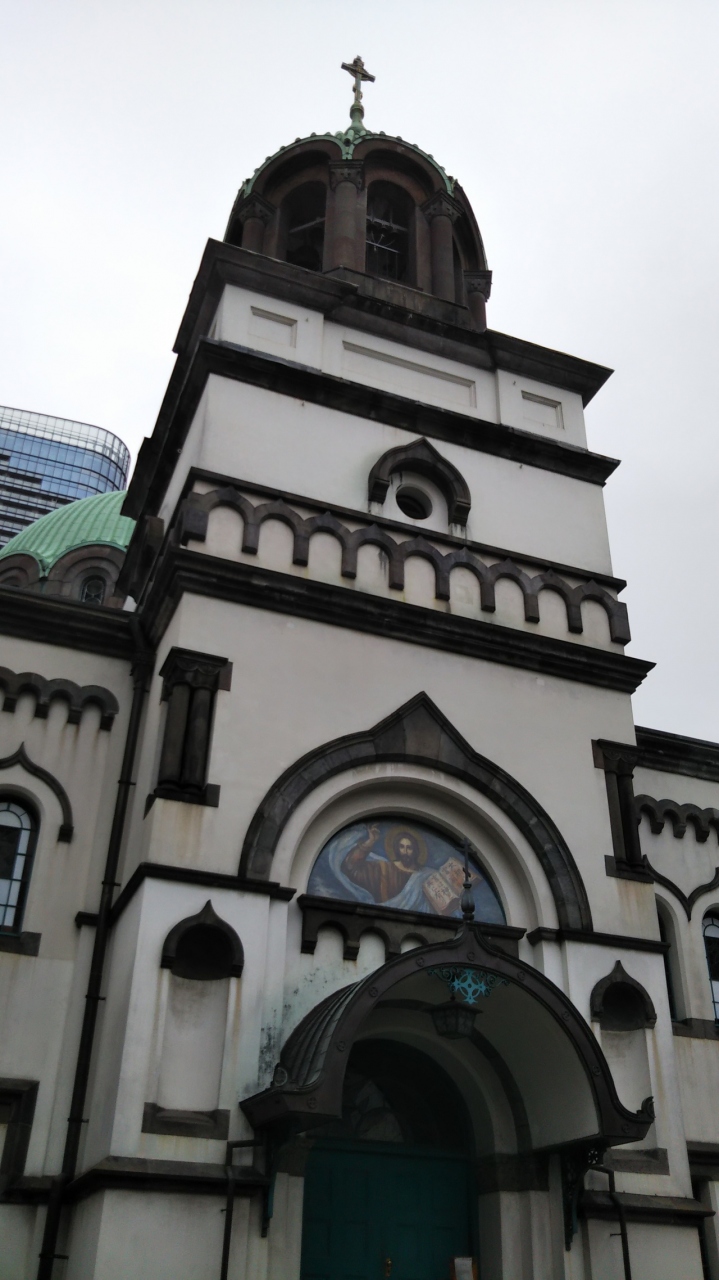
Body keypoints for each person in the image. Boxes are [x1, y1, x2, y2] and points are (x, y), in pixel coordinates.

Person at [342, 824, 422, 904]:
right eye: (401, 847)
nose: (405, 852)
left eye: (409, 848)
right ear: (397, 849)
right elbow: (351, 866)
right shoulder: (383, 868)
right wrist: (371, 841)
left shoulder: (423, 875)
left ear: (415, 850)